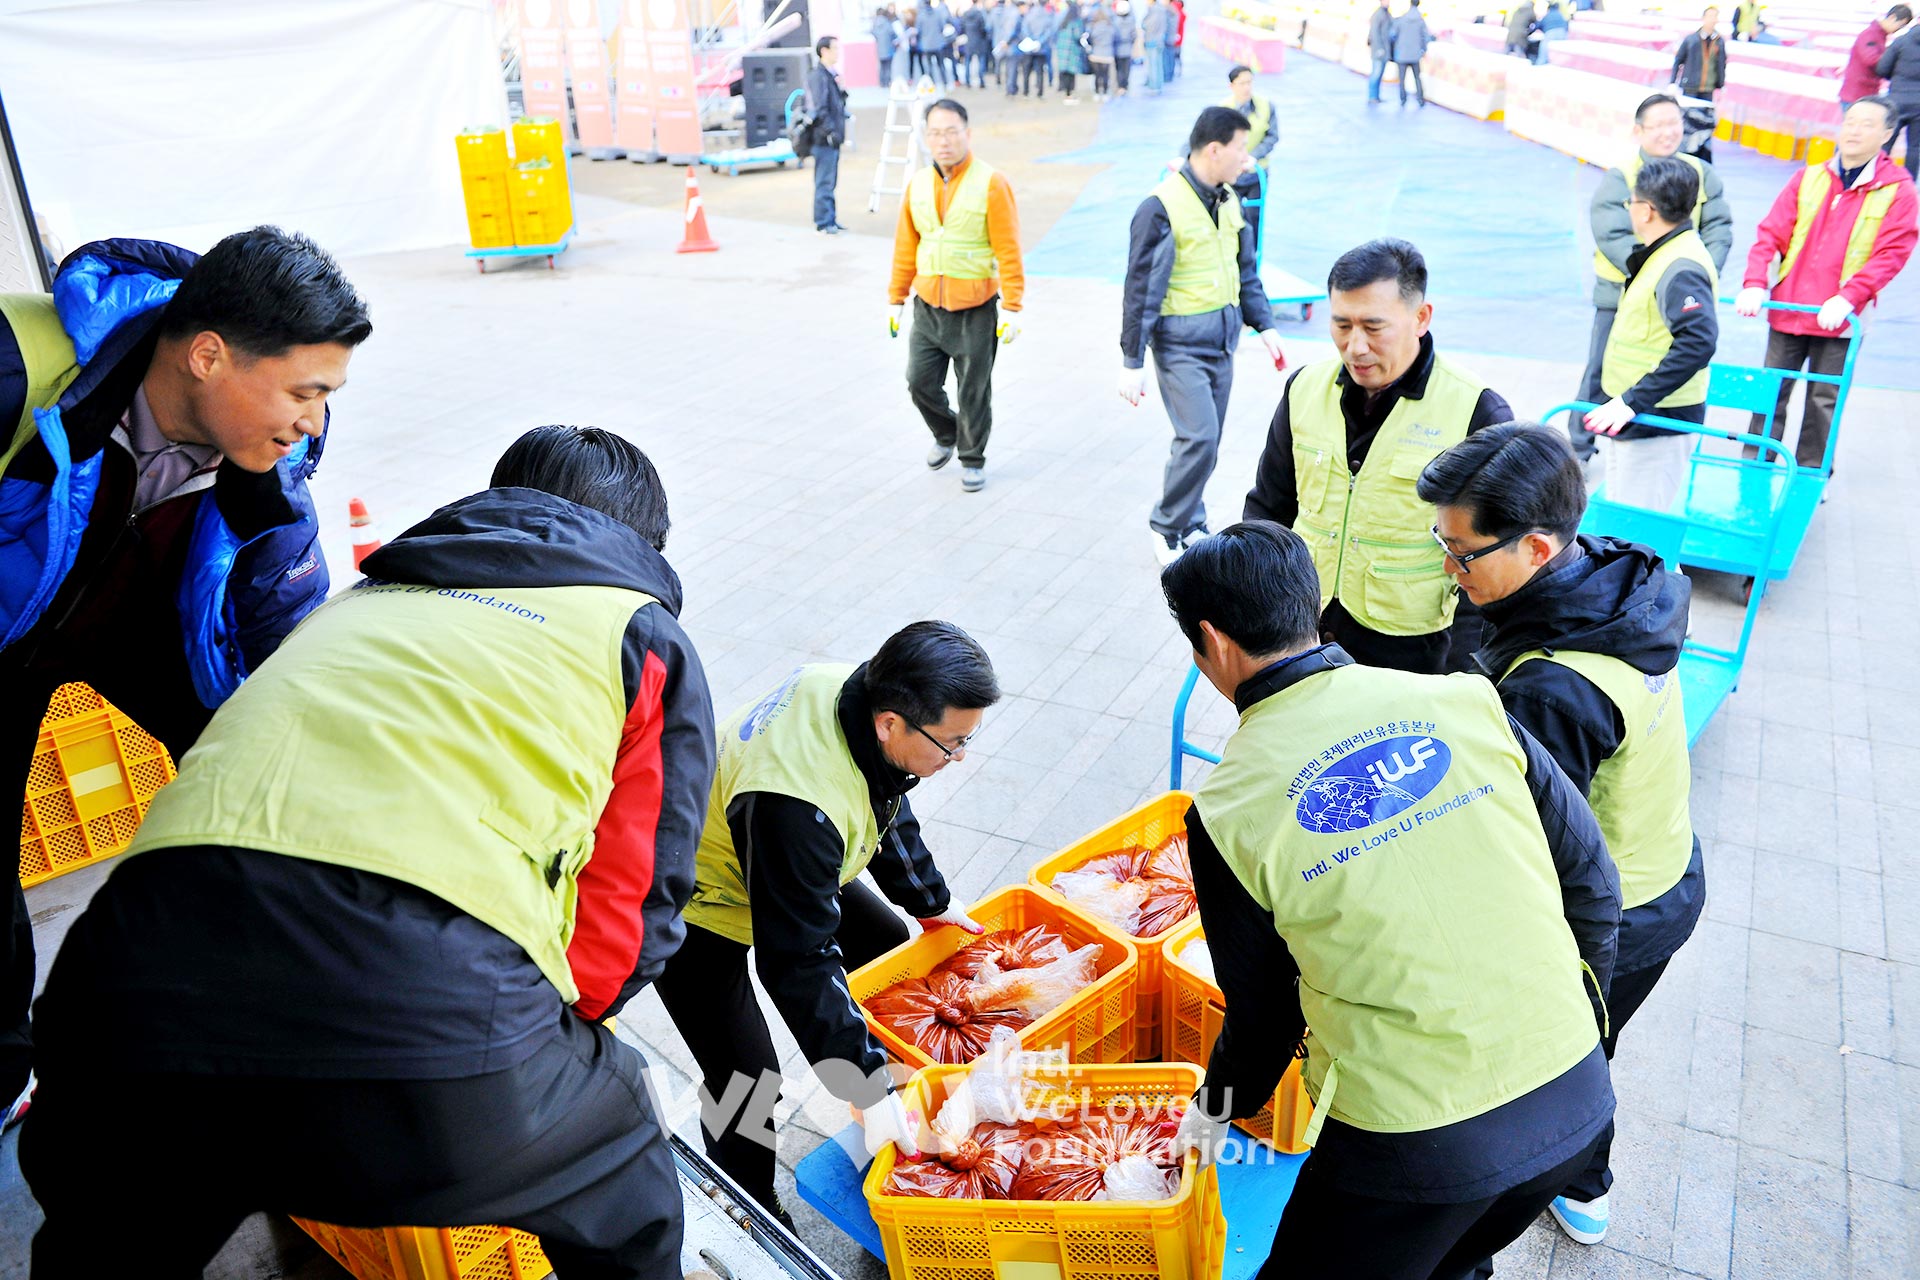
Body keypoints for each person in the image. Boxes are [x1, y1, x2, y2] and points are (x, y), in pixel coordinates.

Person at [21, 426, 715, 1276]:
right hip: (422, 1041)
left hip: (112, 998)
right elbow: (632, 912)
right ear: (643, 544)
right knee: (628, 1170)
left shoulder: (361, 599)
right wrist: (547, 1047)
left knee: (109, 1240)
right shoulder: (640, 635)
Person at [1163, 521, 1620, 1280]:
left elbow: (1265, 1016)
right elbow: (1594, 884)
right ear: (1310, 606)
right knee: (1453, 1263)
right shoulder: (1465, 700)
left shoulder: (1229, 806)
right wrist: (1575, 1021)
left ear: (1211, 639)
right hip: (1577, 1099)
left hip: (1413, 1147)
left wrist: (1211, 1115)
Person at [0, 227, 369, 1118]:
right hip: (11, 634)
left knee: (259, 786)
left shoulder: (272, 461)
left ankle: (292, 1033)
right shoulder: (19, 367)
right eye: (305, 392)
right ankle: (6, 1075)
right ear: (208, 356)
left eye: (327, 397)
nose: (314, 422)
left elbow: (278, 645)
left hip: (141, 633)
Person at [1419, 423, 1705, 1250]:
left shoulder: (1555, 689)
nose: (1449, 570)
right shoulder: (1616, 575)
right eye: (1443, 545)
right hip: (1667, 860)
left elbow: (1532, 852)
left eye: (1462, 555)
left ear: (1538, 546)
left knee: (1572, 1057)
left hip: (1626, 910)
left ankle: (1580, 1182)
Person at [656, 622, 998, 1218]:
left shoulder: (854, 693)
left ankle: (894, 1111)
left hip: (770, 856)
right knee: (746, 1077)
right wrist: (862, 1080)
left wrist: (931, 900)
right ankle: (748, 1206)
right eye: (951, 744)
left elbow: (883, 797)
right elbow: (798, 961)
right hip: (692, 895)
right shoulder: (797, 805)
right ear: (890, 723)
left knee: (884, 946)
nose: (960, 756)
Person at [1243, 238, 1514, 675]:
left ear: (1421, 318)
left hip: (1410, 649)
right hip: (1302, 629)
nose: (1355, 346)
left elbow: (1492, 557)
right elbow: (1268, 507)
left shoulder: (1475, 411)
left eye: (1373, 327)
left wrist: (1466, 673)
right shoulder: (1304, 388)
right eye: (1341, 325)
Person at [1120, 107, 1285, 566]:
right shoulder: (1160, 208)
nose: (1247, 158)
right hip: (1180, 346)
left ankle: (1191, 520)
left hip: (1223, 342)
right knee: (1199, 438)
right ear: (1214, 149)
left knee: (1208, 442)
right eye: (1240, 148)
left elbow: (1244, 270)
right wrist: (1132, 360)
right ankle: (1166, 524)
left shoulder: (1230, 200)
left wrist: (1265, 324)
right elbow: (1140, 289)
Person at [1734, 98, 1917, 470]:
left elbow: (1891, 254)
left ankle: (1811, 475)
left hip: (1841, 317)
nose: (1854, 130)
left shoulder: (1898, 190)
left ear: (1887, 134)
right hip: (1790, 308)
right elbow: (1771, 234)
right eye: (1850, 121)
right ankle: (1755, 465)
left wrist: (1850, 297)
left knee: (1823, 400)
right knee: (1769, 393)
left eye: (1867, 124)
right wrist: (1755, 282)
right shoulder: (1809, 177)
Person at [1573, 93, 1733, 463]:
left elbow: (1719, 228)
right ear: (1639, 131)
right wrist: (1651, 270)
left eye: (1673, 123)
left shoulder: (1700, 173)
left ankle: (1630, 422)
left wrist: (1692, 275)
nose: (1667, 132)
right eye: (1657, 125)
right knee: (1601, 370)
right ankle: (1579, 447)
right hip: (1621, 293)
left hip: (1672, 289)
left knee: (1666, 364)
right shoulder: (1622, 175)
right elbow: (1612, 234)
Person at [889, 99, 1025, 493]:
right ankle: (946, 432)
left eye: (951, 132)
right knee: (918, 381)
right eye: (935, 133)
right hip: (928, 307)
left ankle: (972, 457)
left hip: (975, 308)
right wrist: (895, 298)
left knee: (973, 390)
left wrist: (1012, 306)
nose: (943, 141)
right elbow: (905, 245)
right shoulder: (917, 184)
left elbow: (1008, 249)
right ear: (926, 137)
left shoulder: (991, 183)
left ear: (968, 134)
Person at [1587, 157, 1720, 511]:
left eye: (1630, 202)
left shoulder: (1679, 265)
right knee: (1622, 518)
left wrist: (1633, 400)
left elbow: (1699, 342)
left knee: (1641, 527)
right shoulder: (1665, 252)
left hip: (1657, 417)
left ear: (1646, 211)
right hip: (1638, 413)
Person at [1224, 64, 1278, 257]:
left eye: (1249, 82)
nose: (1247, 87)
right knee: (1229, 216)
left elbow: (1272, 136)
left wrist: (1253, 157)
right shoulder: (1224, 110)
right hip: (1231, 175)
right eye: (1242, 83)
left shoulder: (1266, 106)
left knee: (1254, 217)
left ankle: (1252, 259)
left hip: (1256, 173)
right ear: (1232, 86)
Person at [806, 36, 849, 235]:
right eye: (835, 48)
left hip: (832, 137)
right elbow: (820, 108)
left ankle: (830, 218)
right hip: (823, 138)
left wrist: (842, 90)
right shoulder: (818, 76)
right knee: (824, 181)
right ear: (824, 51)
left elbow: (837, 103)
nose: (838, 52)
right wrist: (830, 131)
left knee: (830, 180)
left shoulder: (831, 75)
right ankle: (824, 221)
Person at [1842, 6, 1910, 109]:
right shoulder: (1870, 34)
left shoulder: (1879, 36)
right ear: (1892, 17)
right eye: (1900, 25)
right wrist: (1892, 57)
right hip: (1856, 94)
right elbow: (1870, 59)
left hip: (1865, 93)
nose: (1898, 30)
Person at [1876, 21, 1920, 172]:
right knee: (1915, 147)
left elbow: (1882, 68)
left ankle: (1875, 175)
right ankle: (1907, 182)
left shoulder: (1901, 41)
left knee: (1885, 142)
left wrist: (1895, 78)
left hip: (1896, 99)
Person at [1671, 8, 1727, 104]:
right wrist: (1672, 81)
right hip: (1690, 85)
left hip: (1708, 87)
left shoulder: (1719, 41)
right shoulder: (1691, 40)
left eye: (1715, 16)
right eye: (1710, 16)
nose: (1713, 19)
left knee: (1705, 111)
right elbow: (1678, 60)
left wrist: (1721, 84)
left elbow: (1721, 64)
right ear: (1703, 18)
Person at [1392, 0, 1432, 104]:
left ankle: (1403, 99)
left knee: (1402, 78)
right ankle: (1420, 98)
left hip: (1402, 53)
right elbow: (1426, 37)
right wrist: (1423, 50)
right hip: (1415, 54)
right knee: (1417, 77)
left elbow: (1393, 34)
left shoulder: (1402, 19)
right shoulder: (1420, 20)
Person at [1054, 2, 1089, 103]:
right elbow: (1078, 35)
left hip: (1062, 49)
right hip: (1072, 50)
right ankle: (1070, 94)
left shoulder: (1063, 20)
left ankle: (1066, 92)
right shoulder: (1076, 21)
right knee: (1071, 73)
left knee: (1064, 71)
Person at [1018, 0, 1052, 94]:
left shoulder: (1029, 14)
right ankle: (1040, 92)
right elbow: (1048, 32)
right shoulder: (1047, 15)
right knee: (1040, 71)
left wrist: (1031, 40)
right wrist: (1039, 42)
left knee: (1026, 71)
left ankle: (1025, 91)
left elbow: (1024, 29)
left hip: (1029, 48)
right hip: (1041, 48)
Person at [917, 1, 954, 86]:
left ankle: (932, 84)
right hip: (938, 43)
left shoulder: (921, 16)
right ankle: (945, 83)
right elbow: (942, 26)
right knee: (941, 64)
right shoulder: (937, 13)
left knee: (929, 66)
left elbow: (918, 30)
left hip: (927, 45)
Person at [1088, 3, 1117, 100]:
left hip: (1096, 53)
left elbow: (1090, 39)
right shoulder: (1110, 27)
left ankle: (1097, 92)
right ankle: (1105, 92)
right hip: (1107, 54)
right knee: (1105, 74)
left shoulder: (1093, 27)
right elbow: (1114, 38)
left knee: (1097, 74)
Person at [992, 0, 1024, 87]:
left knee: (1005, 64)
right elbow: (1012, 29)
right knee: (1011, 66)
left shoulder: (1002, 11)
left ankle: (1005, 83)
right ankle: (1011, 86)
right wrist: (1006, 41)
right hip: (1009, 43)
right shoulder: (1014, 12)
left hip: (1001, 41)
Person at [1367, 0, 1393, 102]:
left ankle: (1376, 96)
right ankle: (1372, 96)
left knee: (1379, 74)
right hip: (1379, 51)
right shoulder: (1378, 14)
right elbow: (1374, 33)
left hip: (1383, 50)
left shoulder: (1386, 13)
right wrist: (1379, 48)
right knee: (1376, 74)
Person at [1141, 0, 1169, 93]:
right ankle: (1157, 84)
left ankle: (1154, 86)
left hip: (1152, 40)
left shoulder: (1154, 10)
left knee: (1153, 65)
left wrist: (1144, 24)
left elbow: (1149, 25)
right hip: (1159, 40)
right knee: (1158, 64)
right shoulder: (1161, 9)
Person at [1113, 0, 1139, 94]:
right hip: (1127, 48)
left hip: (1117, 49)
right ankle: (1125, 85)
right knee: (1126, 68)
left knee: (1119, 68)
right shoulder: (1131, 21)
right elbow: (1134, 35)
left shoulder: (1115, 21)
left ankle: (1120, 86)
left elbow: (1113, 35)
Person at [873, 5, 901, 85]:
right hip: (888, 47)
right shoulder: (887, 23)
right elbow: (893, 34)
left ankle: (882, 82)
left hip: (880, 48)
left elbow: (873, 34)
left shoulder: (874, 24)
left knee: (882, 66)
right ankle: (887, 82)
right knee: (888, 66)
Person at [1169, 0, 1187, 78]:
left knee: (1173, 56)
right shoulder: (1182, 13)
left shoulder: (1176, 13)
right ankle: (1178, 70)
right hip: (1178, 38)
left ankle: (1174, 71)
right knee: (1177, 56)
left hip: (1175, 38)